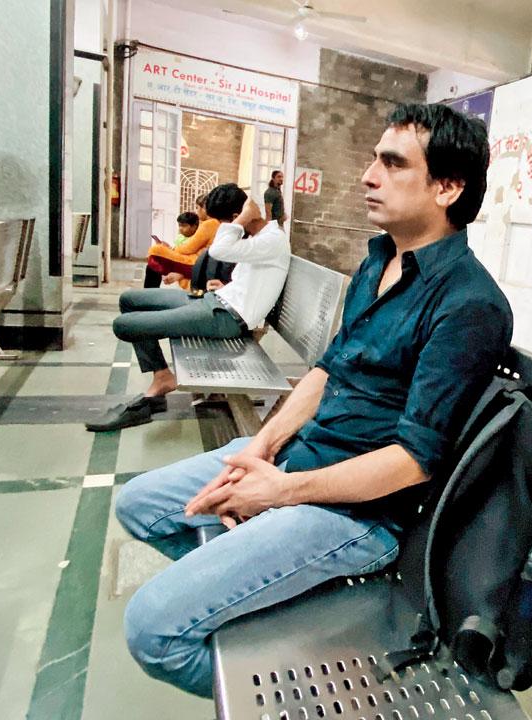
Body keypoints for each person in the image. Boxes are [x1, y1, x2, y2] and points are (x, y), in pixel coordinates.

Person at [113, 103, 509, 697]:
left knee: (152, 631)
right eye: (374, 158)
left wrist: (279, 494)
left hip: (354, 513)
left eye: (393, 163)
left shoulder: (468, 304)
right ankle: (261, 612)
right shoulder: (379, 259)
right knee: (139, 503)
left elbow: (413, 459)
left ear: (448, 188)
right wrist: (264, 451)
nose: (368, 175)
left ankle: (310, 695)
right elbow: (328, 369)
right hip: (298, 457)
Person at [87, 183, 290, 432]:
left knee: (124, 325)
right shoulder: (261, 238)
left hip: (226, 318)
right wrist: (223, 286)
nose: (221, 229)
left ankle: (161, 378)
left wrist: (244, 217)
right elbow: (249, 277)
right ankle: (162, 376)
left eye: (223, 224)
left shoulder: (273, 240)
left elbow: (220, 250)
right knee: (129, 300)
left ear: (237, 217)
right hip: (216, 300)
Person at [146, 195, 219, 288]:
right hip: (197, 261)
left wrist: (171, 250)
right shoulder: (210, 223)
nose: (197, 211)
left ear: (204, 208)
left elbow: (189, 248)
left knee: (156, 253)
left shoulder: (210, 224)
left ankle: (149, 293)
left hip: (196, 263)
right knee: (157, 255)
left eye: (197, 207)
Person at [144, 211, 200, 288]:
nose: (180, 229)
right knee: (152, 265)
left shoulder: (196, 239)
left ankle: (150, 292)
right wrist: (168, 247)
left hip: (186, 263)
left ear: (194, 226)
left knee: (155, 262)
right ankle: (150, 292)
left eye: (184, 226)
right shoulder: (181, 237)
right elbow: (176, 250)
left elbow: (187, 252)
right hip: (177, 260)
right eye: (179, 225)